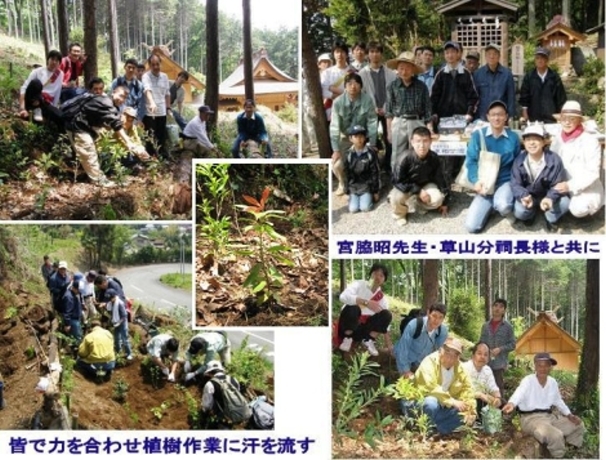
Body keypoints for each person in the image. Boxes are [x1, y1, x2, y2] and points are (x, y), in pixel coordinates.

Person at [63, 85, 148, 187]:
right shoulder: (105, 102)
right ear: (113, 93)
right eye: (120, 95)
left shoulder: (112, 106)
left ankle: (85, 174)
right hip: (77, 125)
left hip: (84, 127)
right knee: (88, 150)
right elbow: (115, 125)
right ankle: (98, 180)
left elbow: (107, 122)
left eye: (124, 98)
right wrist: (129, 143)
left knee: (86, 152)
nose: (121, 99)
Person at [503, 353, 584, 458]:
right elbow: (518, 394)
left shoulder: (552, 382)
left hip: (549, 417)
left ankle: (570, 448)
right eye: (540, 365)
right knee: (556, 435)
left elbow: (558, 401)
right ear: (535, 366)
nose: (543, 368)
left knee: (578, 424)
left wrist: (569, 415)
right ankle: (558, 456)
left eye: (546, 365)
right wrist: (511, 403)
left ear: (550, 367)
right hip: (530, 419)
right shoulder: (528, 381)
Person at [464, 100, 520, 233]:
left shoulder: (513, 137)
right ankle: (490, 205)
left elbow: (518, 163)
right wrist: (475, 181)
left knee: (504, 205)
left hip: (504, 181)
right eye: (493, 114)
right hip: (485, 183)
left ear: (506, 117)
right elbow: (471, 160)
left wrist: (516, 184)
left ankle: (499, 203)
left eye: (500, 114)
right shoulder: (479, 135)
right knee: (472, 227)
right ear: (488, 117)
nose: (497, 118)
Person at [431, 40, 478, 183]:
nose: (450, 55)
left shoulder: (466, 74)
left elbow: (473, 96)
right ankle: (447, 175)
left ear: (459, 54)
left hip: (462, 117)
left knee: (462, 145)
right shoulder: (440, 74)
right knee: (447, 147)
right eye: (447, 52)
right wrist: (434, 113)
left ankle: (462, 176)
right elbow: (434, 96)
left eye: (453, 52)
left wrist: (470, 113)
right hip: (444, 118)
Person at [550, 100, 604, 218]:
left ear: (580, 121)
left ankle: (592, 212)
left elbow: (592, 173)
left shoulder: (590, 140)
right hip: (562, 184)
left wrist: (569, 185)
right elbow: (552, 162)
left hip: (586, 187)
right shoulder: (557, 138)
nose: (567, 122)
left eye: (572, 119)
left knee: (578, 209)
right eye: (564, 118)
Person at [412, 337, 476, 435]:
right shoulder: (430, 361)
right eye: (448, 352)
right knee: (431, 403)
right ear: (441, 350)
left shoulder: (460, 369)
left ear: (458, 357)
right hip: (423, 402)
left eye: (455, 355)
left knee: (463, 415)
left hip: (445, 407)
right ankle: (423, 425)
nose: (450, 357)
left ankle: (434, 429)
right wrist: (452, 401)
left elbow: (468, 389)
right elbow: (429, 386)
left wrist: (471, 411)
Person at [511, 123, 569, 231]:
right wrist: (523, 196)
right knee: (520, 211)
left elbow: (559, 183)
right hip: (530, 196)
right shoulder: (519, 160)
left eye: (536, 139)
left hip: (548, 196)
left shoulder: (554, 159)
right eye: (528, 139)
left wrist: (550, 197)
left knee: (565, 203)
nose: (532, 143)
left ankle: (550, 217)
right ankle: (530, 213)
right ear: (524, 142)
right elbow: (515, 184)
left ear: (543, 142)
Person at [389, 126, 449, 225]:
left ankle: (419, 204)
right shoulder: (403, 158)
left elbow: (441, 179)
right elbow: (397, 181)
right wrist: (418, 191)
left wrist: (445, 202)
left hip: (425, 184)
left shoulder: (434, 157)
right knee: (395, 197)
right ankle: (400, 214)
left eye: (425, 141)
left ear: (430, 142)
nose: (422, 145)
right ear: (412, 142)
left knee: (438, 199)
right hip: (408, 185)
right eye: (418, 141)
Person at [330, 73, 378, 195]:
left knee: (371, 160)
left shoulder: (367, 100)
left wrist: (372, 143)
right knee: (337, 164)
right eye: (349, 84)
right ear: (345, 86)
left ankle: (369, 184)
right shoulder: (337, 102)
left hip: (363, 139)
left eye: (356, 83)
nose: (353, 86)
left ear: (361, 86)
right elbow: (334, 127)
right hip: (346, 139)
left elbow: (372, 122)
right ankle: (342, 183)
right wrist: (336, 150)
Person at [385, 51, 433, 172]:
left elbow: (427, 109)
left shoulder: (421, 86)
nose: (404, 71)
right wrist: (389, 131)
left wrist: (430, 129)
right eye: (401, 68)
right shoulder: (392, 86)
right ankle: (398, 180)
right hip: (399, 121)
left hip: (416, 121)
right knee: (397, 152)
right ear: (397, 69)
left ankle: (416, 179)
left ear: (413, 70)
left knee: (418, 151)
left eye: (407, 68)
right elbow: (389, 112)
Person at [336, 263, 393, 357]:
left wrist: (388, 342)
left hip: (364, 331)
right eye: (375, 273)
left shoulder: (383, 299)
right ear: (370, 274)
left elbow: (385, 323)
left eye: (381, 275)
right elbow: (343, 297)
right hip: (348, 325)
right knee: (353, 306)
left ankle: (369, 340)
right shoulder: (359, 284)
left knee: (387, 314)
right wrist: (365, 302)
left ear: (384, 280)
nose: (377, 277)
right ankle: (348, 338)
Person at [358, 41, 397, 173]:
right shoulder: (362, 74)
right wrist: (372, 107)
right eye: (372, 52)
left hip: (388, 110)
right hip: (370, 111)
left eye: (377, 52)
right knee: (370, 139)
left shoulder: (391, 73)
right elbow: (361, 94)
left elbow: (393, 92)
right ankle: (372, 166)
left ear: (381, 54)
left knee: (389, 138)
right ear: (368, 54)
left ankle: (388, 165)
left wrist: (386, 107)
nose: (375, 54)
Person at [394, 302, 448, 378]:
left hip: (421, 362)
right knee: (405, 384)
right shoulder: (414, 325)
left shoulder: (442, 331)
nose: (436, 320)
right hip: (405, 358)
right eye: (434, 316)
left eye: (440, 317)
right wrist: (406, 371)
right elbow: (402, 350)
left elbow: (440, 352)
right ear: (428, 313)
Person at [479, 298, 516, 400]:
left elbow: (513, 344)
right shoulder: (485, 326)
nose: (497, 309)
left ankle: (500, 412)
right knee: (484, 387)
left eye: (501, 307)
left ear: (504, 310)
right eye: (495, 306)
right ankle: (485, 412)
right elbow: (481, 342)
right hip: (485, 362)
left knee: (498, 388)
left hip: (499, 363)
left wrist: (500, 349)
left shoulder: (508, 327)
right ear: (492, 308)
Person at [339, 125, 381, 213]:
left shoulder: (370, 153)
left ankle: (367, 197)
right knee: (353, 209)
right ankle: (354, 197)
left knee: (365, 208)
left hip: (366, 186)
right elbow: (346, 173)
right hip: (353, 186)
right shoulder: (348, 154)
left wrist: (375, 191)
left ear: (365, 138)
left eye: (361, 136)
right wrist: (346, 191)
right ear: (350, 139)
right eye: (356, 137)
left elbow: (375, 172)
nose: (359, 139)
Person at [519, 47, 567, 124]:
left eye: (542, 58)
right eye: (537, 58)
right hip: (533, 117)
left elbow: (561, 98)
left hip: (551, 117)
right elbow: (524, 97)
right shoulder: (529, 76)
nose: (540, 60)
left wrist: (561, 115)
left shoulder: (554, 77)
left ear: (547, 60)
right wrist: (525, 113)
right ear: (535, 60)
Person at [18, 49, 64, 124]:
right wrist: (22, 107)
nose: (54, 62)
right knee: (37, 83)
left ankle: (37, 115)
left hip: (45, 102)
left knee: (60, 116)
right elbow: (24, 88)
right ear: (48, 59)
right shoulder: (37, 71)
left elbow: (57, 92)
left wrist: (53, 107)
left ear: (59, 63)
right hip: (32, 100)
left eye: (57, 60)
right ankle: (35, 110)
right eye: (52, 59)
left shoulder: (60, 74)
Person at [473, 44, 516, 120]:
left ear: (499, 56)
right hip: (483, 116)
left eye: (495, 54)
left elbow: (511, 97)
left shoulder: (507, 74)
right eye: (489, 54)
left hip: (500, 117)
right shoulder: (478, 74)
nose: (492, 56)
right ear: (485, 57)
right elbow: (474, 97)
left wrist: (511, 116)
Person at [201, 360, 247, 429]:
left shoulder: (210, 384)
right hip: (237, 412)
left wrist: (203, 415)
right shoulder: (234, 380)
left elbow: (206, 405)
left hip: (222, 417)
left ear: (210, 373)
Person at [461, 342, 502, 420]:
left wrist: (497, 398)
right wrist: (479, 395)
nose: (482, 357)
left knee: (502, 403)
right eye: (479, 353)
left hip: (483, 400)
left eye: (486, 355)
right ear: (473, 356)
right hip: (466, 400)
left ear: (488, 358)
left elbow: (493, 388)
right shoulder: (464, 368)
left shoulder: (487, 370)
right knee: (479, 400)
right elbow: (460, 391)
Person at [142, 54, 171, 157]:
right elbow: (147, 90)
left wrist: (168, 108)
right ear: (149, 65)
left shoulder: (165, 76)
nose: (155, 67)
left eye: (157, 64)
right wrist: (151, 102)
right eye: (153, 64)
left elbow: (167, 94)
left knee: (161, 135)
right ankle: (150, 157)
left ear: (160, 64)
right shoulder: (146, 76)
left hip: (162, 111)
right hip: (150, 112)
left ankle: (162, 155)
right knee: (150, 136)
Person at [320, 41, 355, 121]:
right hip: (331, 109)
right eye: (337, 52)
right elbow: (324, 91)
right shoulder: (327, 73)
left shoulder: (354, 72)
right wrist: (341, 94)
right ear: (333, 54)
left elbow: (356, 91)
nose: (340, 54)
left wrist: (333, 89)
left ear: (346, 54)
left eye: (342, 51)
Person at [104, 288, 133, 361]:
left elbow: (124, 316)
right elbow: (110, 312)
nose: (110, 300)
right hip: (115, 323)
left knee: (125, 339)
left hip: (122, 323)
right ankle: (118, 351)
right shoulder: (111, 303)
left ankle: (129, 354)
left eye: (111, 298)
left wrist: (119, 323)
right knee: (116, 338)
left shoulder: (119, 303)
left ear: (114, 296)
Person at [62, 280, 83, 344]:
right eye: (78, 291)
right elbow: (67, 312)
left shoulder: (73, 294)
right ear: (74, 288)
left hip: (76, 319)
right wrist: (67, 324)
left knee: (76, 336)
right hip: (73, 320)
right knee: (77, 338)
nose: (79, 292)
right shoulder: (69, 297)